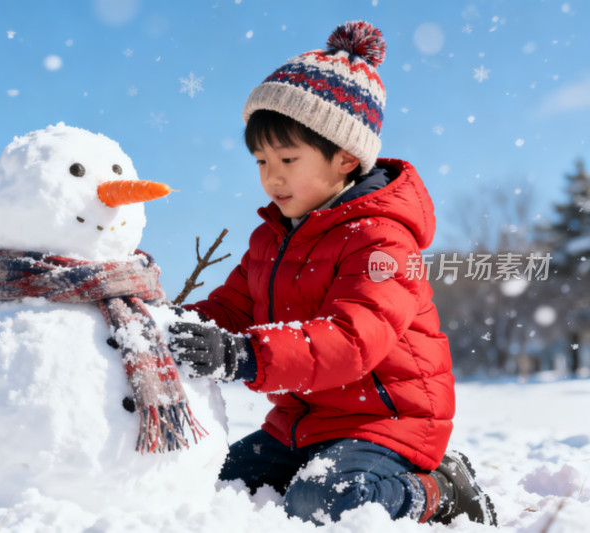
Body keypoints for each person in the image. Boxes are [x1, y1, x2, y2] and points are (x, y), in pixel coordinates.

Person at [167, 21, 497, 526]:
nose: (271, 176)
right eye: (261, 161)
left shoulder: (382, 240)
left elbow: (353, 338)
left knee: (324, 501)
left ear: (345, 158)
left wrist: (243, 356)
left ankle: (441, 489)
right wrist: (165, 325)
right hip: (300, 423)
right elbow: (232, 308)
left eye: (287, 158)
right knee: (207, 484)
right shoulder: (272, 238)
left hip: (386, 421)